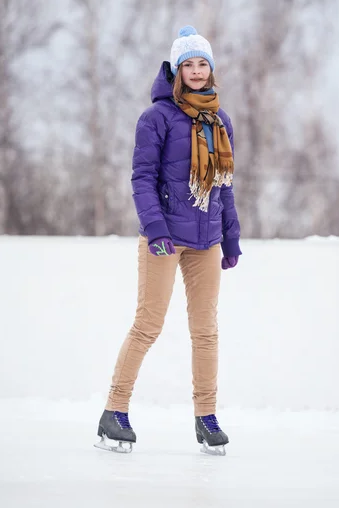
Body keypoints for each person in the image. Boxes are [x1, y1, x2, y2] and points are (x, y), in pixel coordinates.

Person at [95, 26, 242, 455]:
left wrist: (230, 238)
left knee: (206, 331)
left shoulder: (220, 120)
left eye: (203, 64)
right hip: (164, 237)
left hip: (207, 239)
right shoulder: (155, 118)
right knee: (148, 324)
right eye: (188, 65)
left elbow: (224, 186)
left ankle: (206, 416)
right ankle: (114, 411)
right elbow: (142, 178)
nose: (196, 71)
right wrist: (156, 229)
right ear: (176, 71)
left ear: (211, 70)